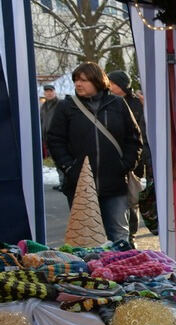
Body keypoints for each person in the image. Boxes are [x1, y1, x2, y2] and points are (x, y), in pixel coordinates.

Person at [47, 62, 142, 243]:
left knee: (119, 238)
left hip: (114, 186)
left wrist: (125, 165)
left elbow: (134, 139)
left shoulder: (118, 104)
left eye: (83, 80)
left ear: (97, 81)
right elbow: (55, 140)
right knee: (85, 240)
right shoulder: (67, 107)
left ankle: (122, 270)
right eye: (76, 80)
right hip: (80, 186)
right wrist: (69, 167)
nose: (78, 84)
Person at [108, 70, 152, 248]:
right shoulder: (109, 103)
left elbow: (142, 133)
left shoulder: (137, 103)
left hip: (135, 160)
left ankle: (131, 234)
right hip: (114, 159)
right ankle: (118, 234)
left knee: (132, 199)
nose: (110, 86)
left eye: (113, 83)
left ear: (122, 85)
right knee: (117, 199)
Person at [40, 84, 63, 190]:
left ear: (54, 92)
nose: (49, 93)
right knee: (56, 161)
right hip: (47, 138)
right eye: (47, 91)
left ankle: (64, 183)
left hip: (58, 137)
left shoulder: (60, 104)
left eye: (50, 91)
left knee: (61, 161)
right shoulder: (43, 106)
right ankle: (62, 181)